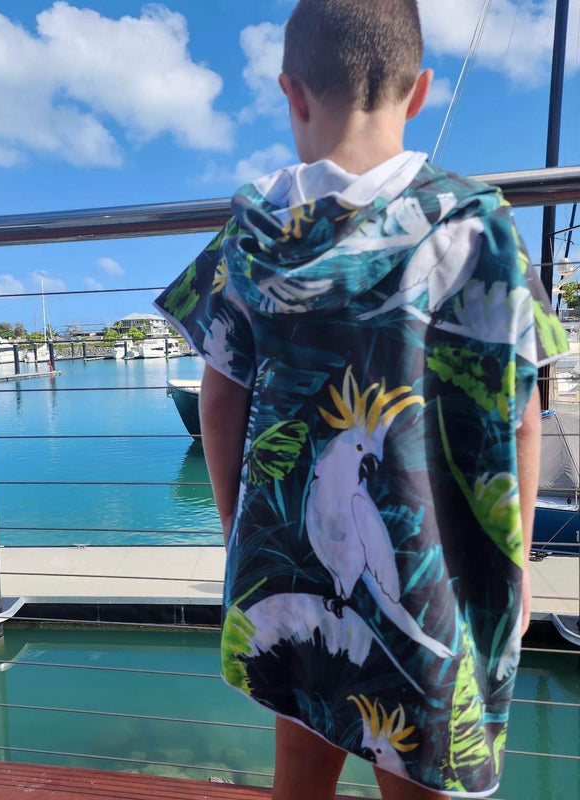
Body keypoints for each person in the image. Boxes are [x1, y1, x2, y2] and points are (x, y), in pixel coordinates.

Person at [154, 1, 569, 798]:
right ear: (419, 94)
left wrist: (239, 529)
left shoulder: (253, 235)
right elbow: (521, 413)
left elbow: (217, 401)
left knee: (300, 772)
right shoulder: (480, 226)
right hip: (434, 582)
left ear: (292, 94)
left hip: (293, 576)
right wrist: (510, 573)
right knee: (419, 771)